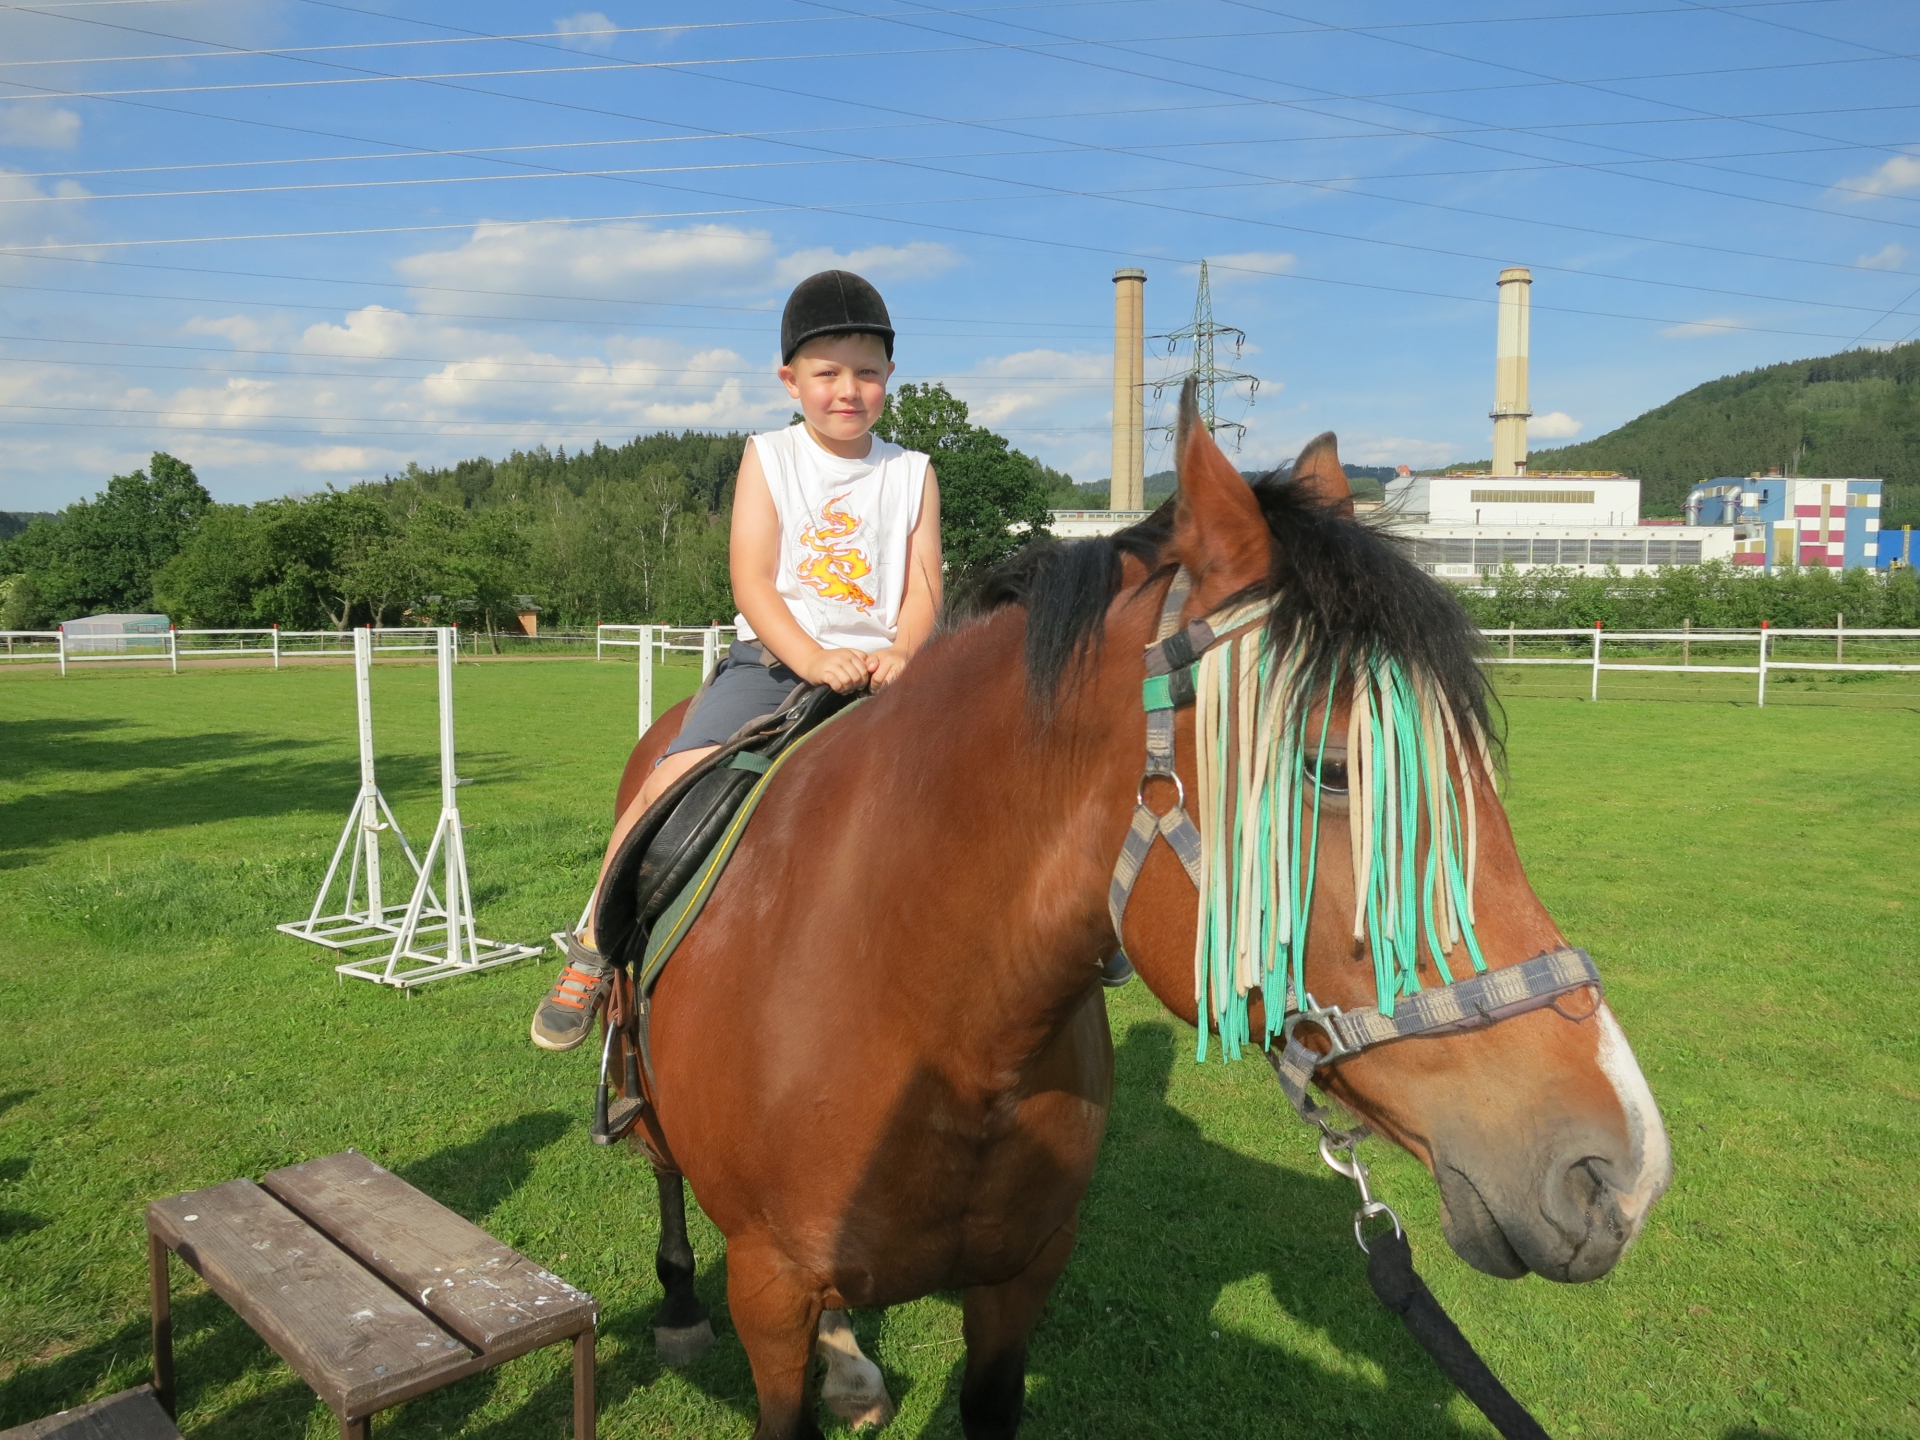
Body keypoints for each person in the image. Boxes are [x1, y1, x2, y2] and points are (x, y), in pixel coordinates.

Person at [530, 269, 943, 1051]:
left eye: (865, 372)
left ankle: (1079, 923)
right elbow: (751, 578)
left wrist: (901, 652)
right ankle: (592, 947)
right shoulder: (770, 456)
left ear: (890, 376)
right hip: (775, 663)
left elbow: (924, 587)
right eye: (827, 373)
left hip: (888, 670)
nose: (847, 390)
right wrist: (811, 656)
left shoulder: (912, 471)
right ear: (791, 381)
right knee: (671, 779)